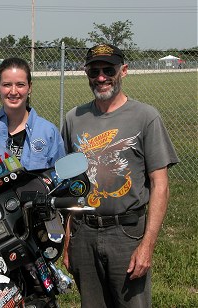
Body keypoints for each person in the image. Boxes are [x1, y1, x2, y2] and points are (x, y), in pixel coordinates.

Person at [62, 44, 179, 307]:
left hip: (126, 234)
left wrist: (147, 245)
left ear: (123, 71)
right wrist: (70, 239)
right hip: (85, 233)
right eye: (94, 71)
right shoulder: (74, 118)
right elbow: (73, 186)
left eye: (108, 69)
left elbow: (160, 185)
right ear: (87, 74)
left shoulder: (145, 117)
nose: (101, 77)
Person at [0, 57, 65, 170]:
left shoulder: (47, 132)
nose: (13, 91)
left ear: (30, 87)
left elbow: (59, 178)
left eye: (20, 85)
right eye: (7, 85)